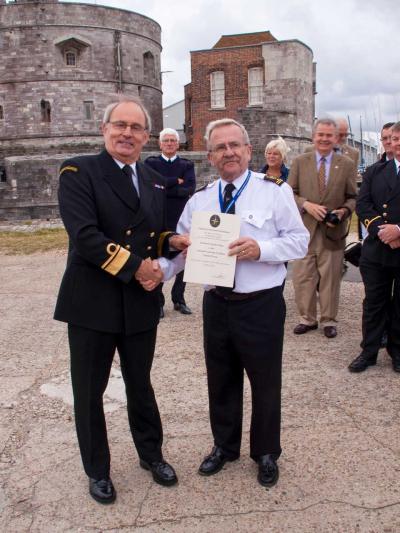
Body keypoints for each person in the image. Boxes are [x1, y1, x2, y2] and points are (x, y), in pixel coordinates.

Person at [54, 97, 188, 504]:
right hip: (93, 300)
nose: (127, 133)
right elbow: (86, 236)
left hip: (138, 302)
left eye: (136, 128)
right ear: (105, 129)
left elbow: (154, 233)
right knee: (90, 390)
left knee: (140, 384)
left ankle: (151, 455)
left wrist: (173, 241)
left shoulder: (151, 178)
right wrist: (140, 269)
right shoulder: (79, 170)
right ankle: (98, 470)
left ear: (147, 137)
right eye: (120, 125)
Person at [161, 118, 309, 487]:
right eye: (220, 148)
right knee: (221, 379)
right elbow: (182, 249)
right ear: (210, 156)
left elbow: (299, 241)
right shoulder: (201, 199)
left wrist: (262, 249)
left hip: (259, 303)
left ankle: (266, 452)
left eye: (235, 146)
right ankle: (224, 448)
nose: (229, 152)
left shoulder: (274, 192)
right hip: (217, 304)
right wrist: (156, 272)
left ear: (247, 150)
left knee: (265, 380)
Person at [288, 118, 357, 338]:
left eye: (329, 135)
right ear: (313, 136)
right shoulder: (300, 161)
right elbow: (289, 193)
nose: (324, 139)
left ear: (335, 138)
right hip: (304, 231)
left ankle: (328, 320)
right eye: (321, 135)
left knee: (330, 278)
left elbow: (353, 197)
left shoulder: (346, 164)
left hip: (332, 232)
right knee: (303, 277)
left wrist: (343, 212)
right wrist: (306, 204)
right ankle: (307, 319)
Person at [348, 121, 400, 374]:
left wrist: (399, 231)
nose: (395, 143)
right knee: (374, 304)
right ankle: (368, 351)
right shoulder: (375, 171)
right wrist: (383, 230)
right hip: (377, 250)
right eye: (392, 139)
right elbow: (363, 204)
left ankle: (397, 351)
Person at [145, 128, 196, 317]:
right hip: (157, 218)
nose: (169, 143)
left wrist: (164, 186)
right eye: (165, 140)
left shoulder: (186, 164)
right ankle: (158, 302)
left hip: (180, 217)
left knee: (183, 257)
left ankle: (179, 299)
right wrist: (176, 181)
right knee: (158, 257)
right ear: (160, 143)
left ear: (177, 143)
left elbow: (189, 189)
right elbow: (149, 186)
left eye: (172, 140)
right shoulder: (151, 162)